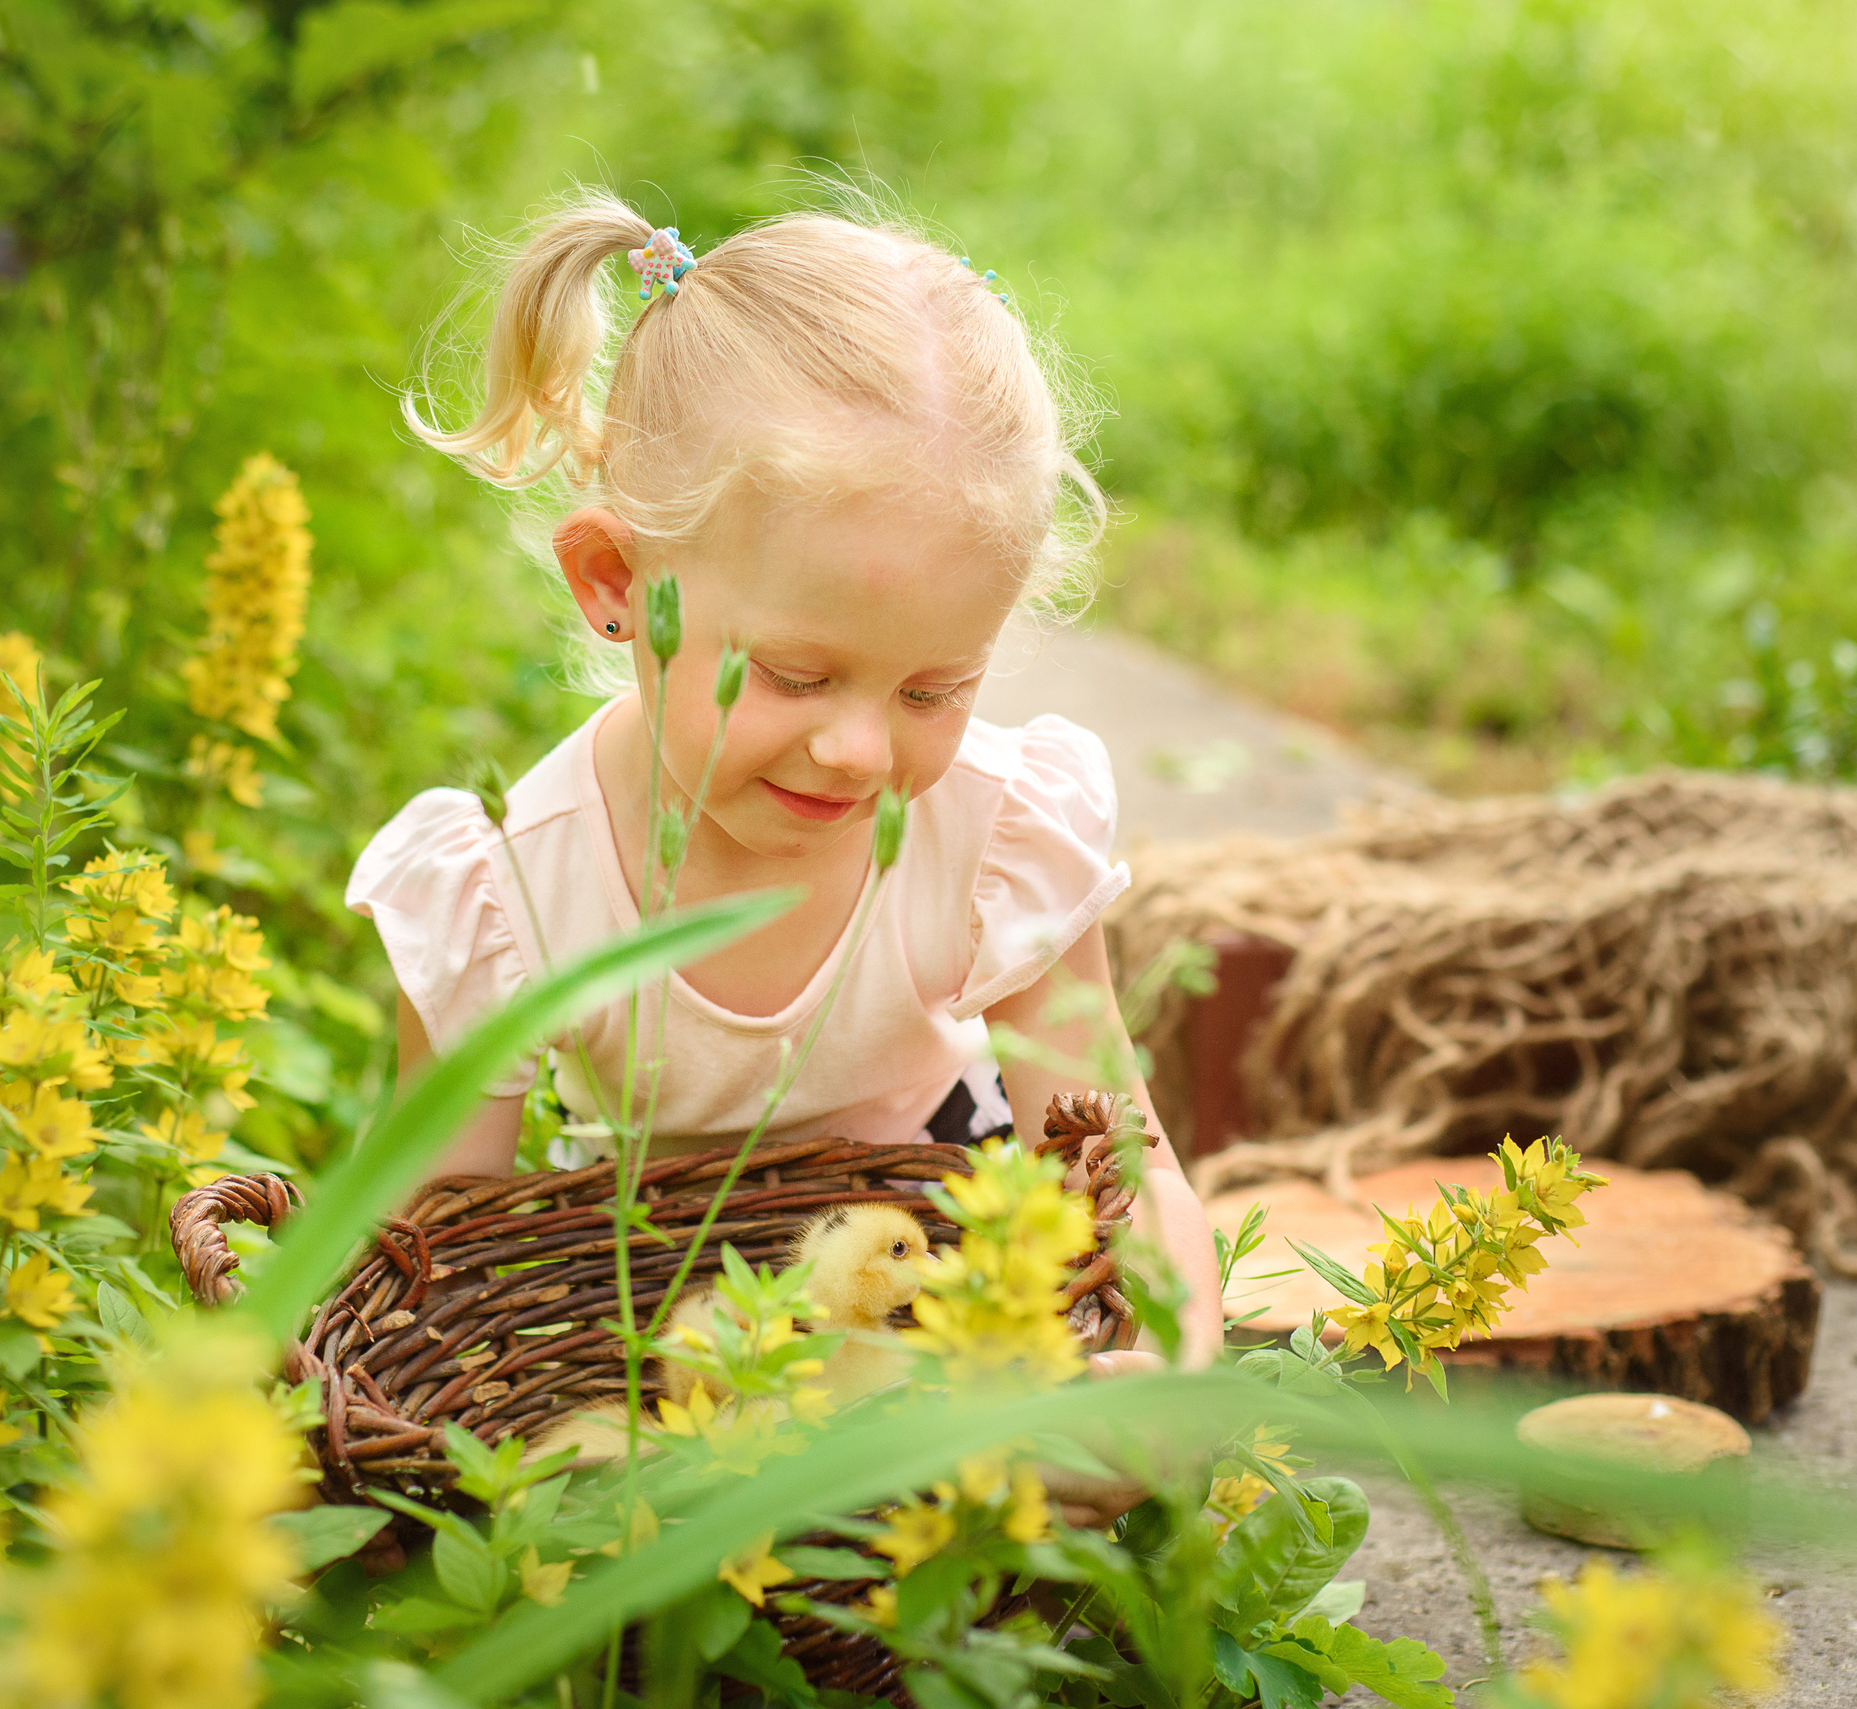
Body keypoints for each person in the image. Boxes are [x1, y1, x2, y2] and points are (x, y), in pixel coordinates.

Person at [347, 193, 1226, 1398]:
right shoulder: (513, 893)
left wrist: (1167, 1373)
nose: (861, 750)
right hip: (643, 1303)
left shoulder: (990, 831)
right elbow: (434, 1259)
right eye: (795, 676)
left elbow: (1125, 1172)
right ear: (615, 581)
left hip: (952, 1278)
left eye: (933, 688)